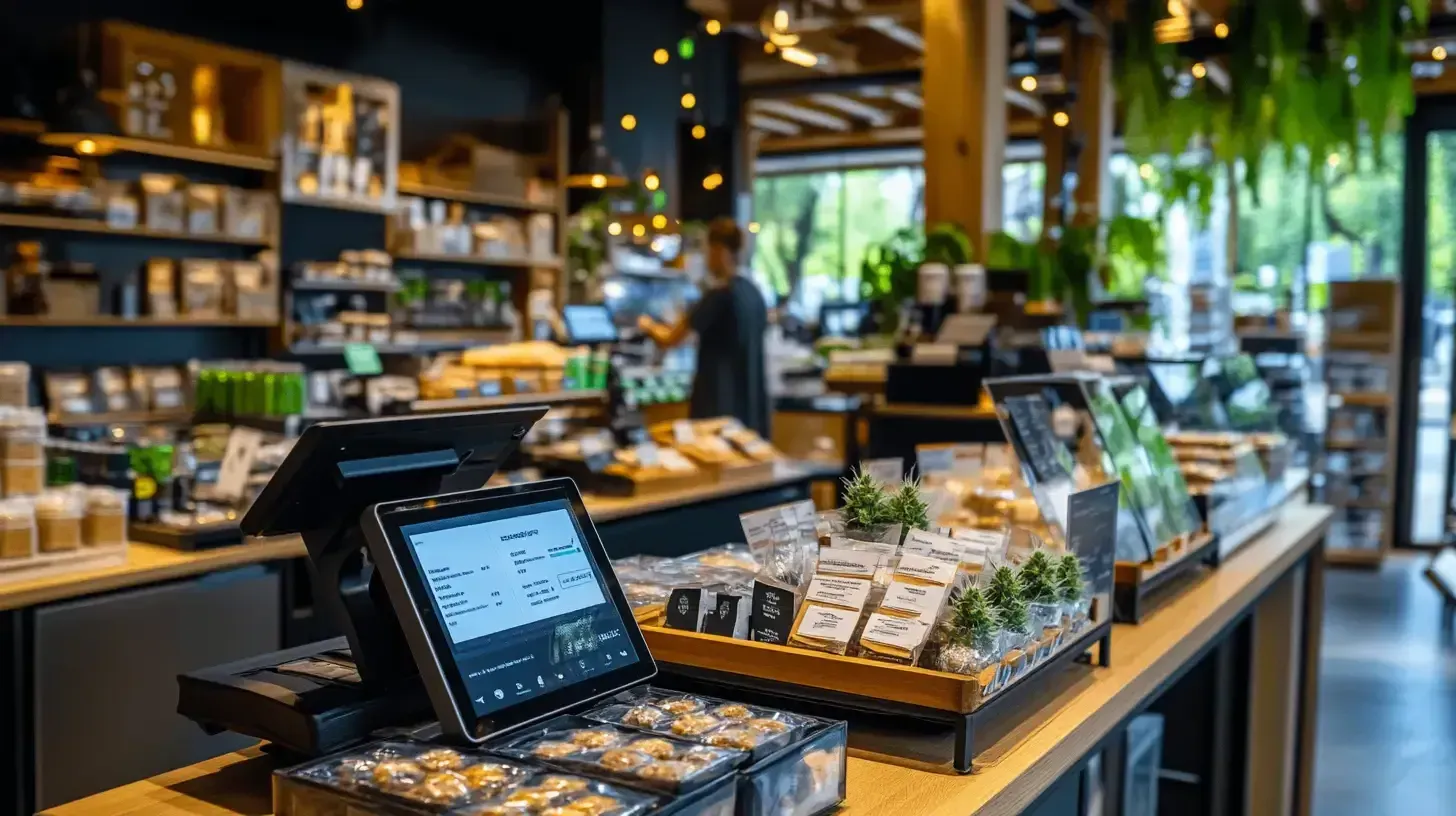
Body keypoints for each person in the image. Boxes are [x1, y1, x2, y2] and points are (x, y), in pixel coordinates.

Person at [638, 218, 770, 436]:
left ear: (719, 250)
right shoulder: (754, 294)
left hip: (718, 413)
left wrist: (646, 324)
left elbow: (670, 339)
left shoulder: (719, 294)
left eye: (707, 250)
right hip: (751, 414)